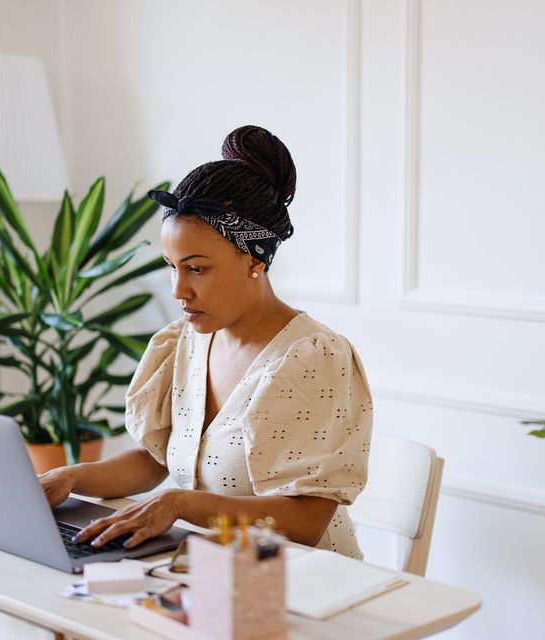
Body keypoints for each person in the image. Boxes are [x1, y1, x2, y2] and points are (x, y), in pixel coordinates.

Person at [40, 125, 372, 559]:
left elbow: (306, 522)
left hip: (308, 587)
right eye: (171, 266)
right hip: (215, 574)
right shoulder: (184, 341)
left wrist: (178, 503)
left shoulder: (310, 358)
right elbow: (157, 458)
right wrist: (71, 476)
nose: (178, 289)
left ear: (254, 260)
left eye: (196, 269)